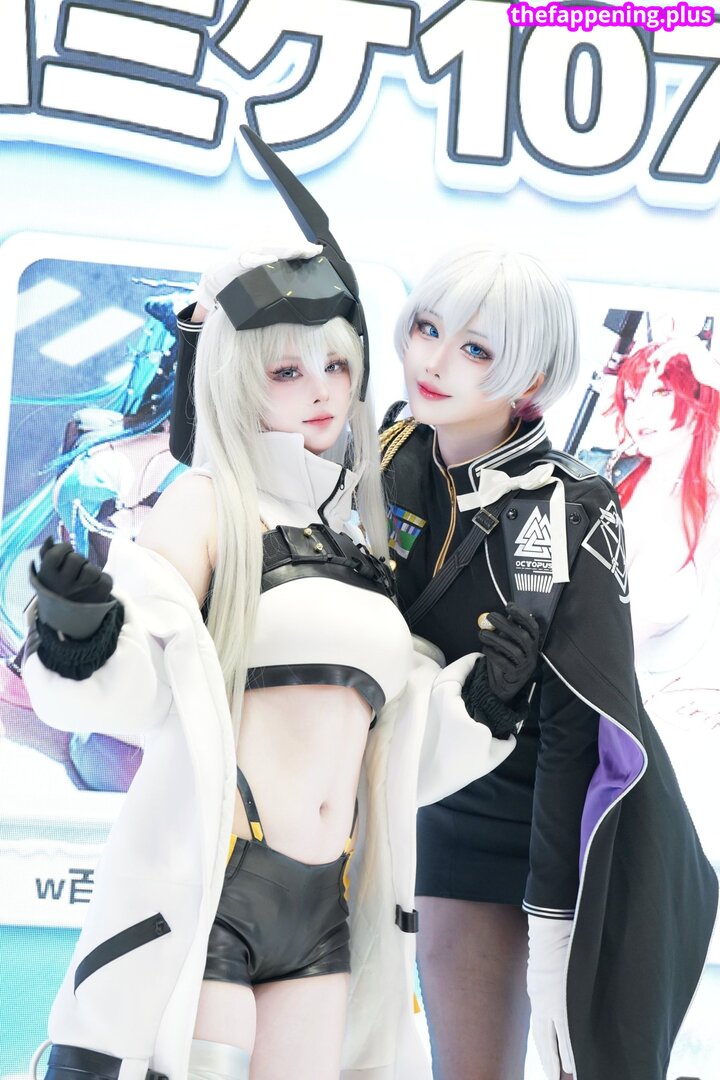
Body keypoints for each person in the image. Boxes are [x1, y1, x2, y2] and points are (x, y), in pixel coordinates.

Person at [20, 140, 518, 1080]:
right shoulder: (209, 505)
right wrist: (83, 637)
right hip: (214, 888)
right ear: (237, 377)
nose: (322, 389)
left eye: (336, 365)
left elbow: (392, 750)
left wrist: (481, 703)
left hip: (328, 904)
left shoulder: (364, 540)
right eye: (287, 372)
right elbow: (147, 667)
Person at [378, 248, 719, 1080]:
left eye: (475, 349)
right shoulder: (386, 452)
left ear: (529, 378)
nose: (434, 361)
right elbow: (239, 467)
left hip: (567, 825)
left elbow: (580, 728)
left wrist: (558, 923)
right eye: (428, 329)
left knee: (584, 1059)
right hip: (441, 803)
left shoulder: (569, 504)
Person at [581, 336, 720, 676]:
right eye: (631, 397)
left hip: (634, 695)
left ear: (700, 397)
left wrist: (711, 373)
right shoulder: (596, 474)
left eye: (660, 392)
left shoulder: (710, 510)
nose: (639, 412)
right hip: (544, 680)